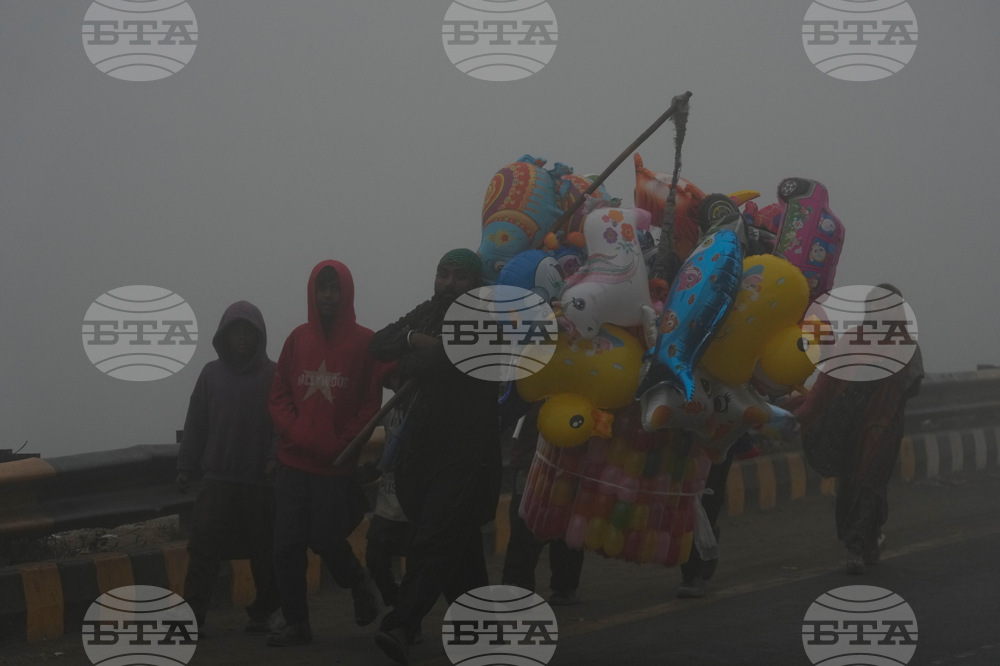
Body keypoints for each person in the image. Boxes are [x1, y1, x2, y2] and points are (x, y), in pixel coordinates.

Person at [370, 249, 502, 665]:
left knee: (434, 539)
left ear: (476, 283)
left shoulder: (485, 318)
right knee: (457, 547)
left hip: (466, 452)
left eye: (459, 276)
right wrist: (412, 339)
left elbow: (444, 360)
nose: (448, 283)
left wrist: (412, 357)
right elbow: (379, 343)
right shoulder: (428, 311)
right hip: (422, 448)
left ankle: (400, 624)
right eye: (442, 274)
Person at [266, 260, 389, 646]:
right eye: (322, 289)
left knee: (325, 538)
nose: (328, 296)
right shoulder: (297, 339)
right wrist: (298, 431)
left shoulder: (365, 343)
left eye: (335, 289)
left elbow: (370, 405)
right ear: (312, 292)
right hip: (292, 463)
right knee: (285, 546)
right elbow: (279, 395)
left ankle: (358, 583)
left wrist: (342, 443)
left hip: (335, 466)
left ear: (347, 292)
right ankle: (297, 623)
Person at [793, 283, 924, 574]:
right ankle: (864, 543)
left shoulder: (905, 345)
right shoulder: (860, 340)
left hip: (881, 428)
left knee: (869, 482)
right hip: (853, 427)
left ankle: (859, 545)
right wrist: (804, 412)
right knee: (855, 482)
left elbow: (911, 384)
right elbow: (826, 384)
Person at [176, 300, 282, 636]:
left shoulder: (274, 374)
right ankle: (193, 617)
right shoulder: (210, 374)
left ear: (259, 335)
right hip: (217, 479)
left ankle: (263, 613)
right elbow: (196, 423)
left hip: (258, 481)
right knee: (203, 550)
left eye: (248, 331)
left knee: (264, 552)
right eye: (235, 331)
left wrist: (273, 459)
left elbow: (283, 425)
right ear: (224, 334)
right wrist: (186, 466)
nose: (241, 338)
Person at [501, 404, 584, 605]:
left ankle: (564, 586)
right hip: (531, 456)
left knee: (566, 523)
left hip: (571, 454)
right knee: (525, 520)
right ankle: (517, 586)